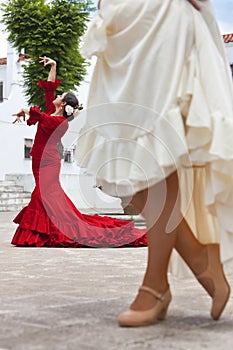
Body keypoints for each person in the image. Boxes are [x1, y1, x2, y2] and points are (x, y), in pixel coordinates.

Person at [76, 0, 233, 326]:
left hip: (159, 12)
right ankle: (201, 257)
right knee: (123, 159)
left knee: (155, 140)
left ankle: (156, 284)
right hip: (120, 16)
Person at [11, 56, 147, 248]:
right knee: (47, 196)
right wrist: (54, 66)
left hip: (48, 163)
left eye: (61, 96)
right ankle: (42, 230)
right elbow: (49, 89)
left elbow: (39, 117)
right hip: (39, 160)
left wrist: (24, 109)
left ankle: (40, 232)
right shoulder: (52, 111)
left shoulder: (59, 123)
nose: (57, 96)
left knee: (43, 194)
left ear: (63, 103)